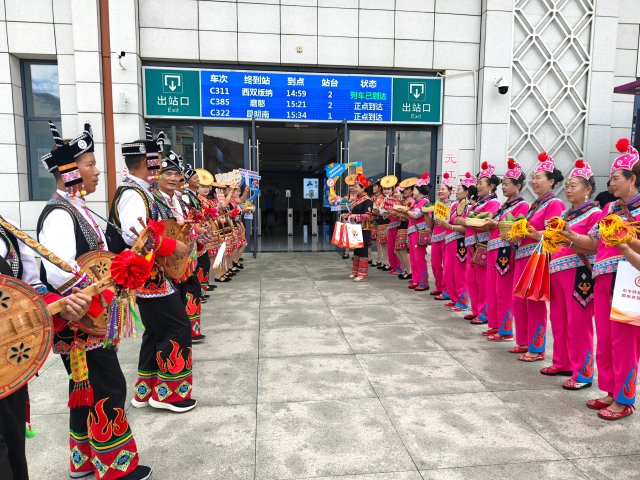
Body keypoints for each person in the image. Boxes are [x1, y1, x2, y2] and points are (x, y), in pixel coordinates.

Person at [37, 121, 152, 479]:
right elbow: (60, 271)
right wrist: (104, 288)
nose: (97, 171)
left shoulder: (77, 208)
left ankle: (84, 459)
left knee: (84, 389)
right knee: (107, 386)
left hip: (87, 319)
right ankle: (115, 467)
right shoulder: (60, 213)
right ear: (69, 171)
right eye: (90, 165)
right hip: (80, 319)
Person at [0, 214, 92, 480]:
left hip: (8, 366)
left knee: (14, 451)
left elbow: (32, 289)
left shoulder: (9, 231)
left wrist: (61, 308)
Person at [107, 140, 196, 414]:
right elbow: (133, 235)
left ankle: (146, 390)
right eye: (158, 161)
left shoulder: (141, 191)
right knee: (177, 327)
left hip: (151, 275)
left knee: (156, 331)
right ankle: (170, 394)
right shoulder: (133, 193)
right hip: (149, 277)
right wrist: (171, 245)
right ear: (149, 163)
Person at [563, 138, 640, 420]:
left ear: (632, 179)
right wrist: (571, 237)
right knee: (606, 339)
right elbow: (594, 243)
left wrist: (626, 239)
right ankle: (610, 390)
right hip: (603, 278)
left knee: (625, 341)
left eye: (616, 178)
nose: (611, 183)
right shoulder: (608, 210)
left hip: (628, 278)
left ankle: (625, 398)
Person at [542, 159, 600, 388]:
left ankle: (583, 373)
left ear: (588, 189)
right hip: (558, 272)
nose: (568, 189)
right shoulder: (565, 215)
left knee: (579, 324)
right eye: (567, 185)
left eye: (573, 185)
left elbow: (595, 245)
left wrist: (571, 238)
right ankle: (562, 362)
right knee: (558, 319)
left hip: (579, 275)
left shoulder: (595, 214)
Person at [512, 152, 566, 361]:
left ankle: (536, 348)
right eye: (533, 177)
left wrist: (533, 233)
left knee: (534, 302)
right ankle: (524, 341)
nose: (534, 181)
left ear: (551, 181)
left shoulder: (555, 204)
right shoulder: (535, 205)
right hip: (523, 256)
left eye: (539, 177)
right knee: (519, 301)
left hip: (537, 258)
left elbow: (554, 232)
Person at [152, 158, 205, 344]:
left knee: (187, 299)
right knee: (170, 322)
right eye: (168, 174)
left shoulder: (180, 200)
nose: (173, 178)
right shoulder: (153, 201)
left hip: (184, 263)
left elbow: (187, 228)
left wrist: (197, 233)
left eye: (176, 174)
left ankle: (189, 335)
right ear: (157, 176)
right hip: (164, 266)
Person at [482, 159, 529, 341]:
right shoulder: (505, 206)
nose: (503, 187)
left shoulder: (522, 205)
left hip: (505, 251)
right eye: (502, 184)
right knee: (492, 289)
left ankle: (505, 330)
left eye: (507, 184)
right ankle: (495, 325)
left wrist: (495, 224)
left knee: (503, 291)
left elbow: (515, 229)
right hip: (494, 249)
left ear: (518, 186)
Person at [463, 163, 501, 323]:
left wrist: (466, 221)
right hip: (472, 246)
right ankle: (476, 309)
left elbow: (486, 224)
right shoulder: (479, 203)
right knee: (472, 279)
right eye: (477, 183)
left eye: (481, 183)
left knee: (482, 281)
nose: (477, 186)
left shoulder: (494, 203)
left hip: (482, 245)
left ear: (491, 186)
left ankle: (484, 313)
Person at [440, 173, 476, 312]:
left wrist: (449, 226)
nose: (456, 191)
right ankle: (454, 298)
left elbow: (467, 227)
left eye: (459, 189)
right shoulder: (454, 205)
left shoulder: (469, 207)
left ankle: (462, 302)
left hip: (459, 243)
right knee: (449, 272)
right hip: (449, 242)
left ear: (466, 192)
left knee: (459, 273)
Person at [341, 174, 373, 282]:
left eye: (356, 187)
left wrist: (356, 216)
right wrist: (347, 215)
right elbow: (352, 213)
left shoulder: (367, 200)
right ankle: (355, 271)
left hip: (364, 229)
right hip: (356, 229)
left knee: (363, 250)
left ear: (363, 188)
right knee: (357, 250)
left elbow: (369, 215)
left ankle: (363, 274)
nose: (354, 189)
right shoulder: (357, 200)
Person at [406, 174, 432, 290]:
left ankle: (423, 282)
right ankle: (416, 279)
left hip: (418, 233)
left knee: (419, 258)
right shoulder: (418, 202)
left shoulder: (425, 202)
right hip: (414, 233)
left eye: (414, 189)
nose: (413, 192)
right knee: (413, 258)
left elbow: (416, 215)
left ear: (420, 191)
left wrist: (405, 210)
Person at [430, 173, 453, 299]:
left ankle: (447, 290)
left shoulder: (453, 205)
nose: (440, 191)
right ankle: (439, 287)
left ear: (449, 191)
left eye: (443, 189)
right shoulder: (436, 205)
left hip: (446, 236)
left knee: (447, 266)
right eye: (439, 189)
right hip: (436, 236)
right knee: (435, 264)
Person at [380, 175, 402, 274]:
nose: (386, 191)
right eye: (385, 189)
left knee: (397, 248)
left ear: (393, 190)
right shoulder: (384, 200)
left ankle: (400, 268)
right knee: (390, 247)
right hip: (391, 224)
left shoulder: (397, 200)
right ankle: (394, 267)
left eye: (388, 189)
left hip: (398, 225)